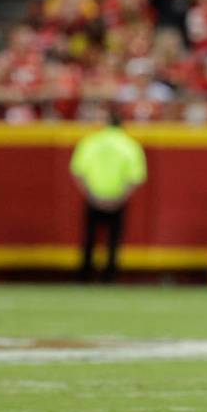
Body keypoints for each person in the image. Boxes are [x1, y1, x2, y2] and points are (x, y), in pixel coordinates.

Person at [70, 107, 146, 282]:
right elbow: (135, 177)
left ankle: (84, 276)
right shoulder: (130, 145)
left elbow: (78, 172)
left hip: (93, 197)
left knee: (89, 239)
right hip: (117, 199)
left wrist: (91, 194)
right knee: (114, 241)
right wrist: (120, 197)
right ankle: (109, 277)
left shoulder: (90, 141)